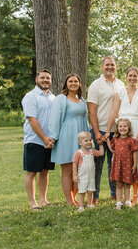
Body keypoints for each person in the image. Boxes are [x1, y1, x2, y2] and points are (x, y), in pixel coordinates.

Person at [106, 66, 138, 204]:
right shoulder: (120, 92)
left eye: (135, 76)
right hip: (122, 126)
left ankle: (135, 194)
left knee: (135, 159)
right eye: (130, 75)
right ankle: (121, 195)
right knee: (121, 158)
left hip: (136, 125)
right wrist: (108, 130)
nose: (132, 78)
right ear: (126, 77)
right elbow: (113, 111)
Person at [87, 55, 125, 205]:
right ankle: (94, 196)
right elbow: (92, 112)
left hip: (118, 131)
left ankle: (115, 194)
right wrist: (96, 132)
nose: (110, 67)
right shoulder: (95, 85)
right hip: (101, 130)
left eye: (112, 65)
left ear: (116, 67)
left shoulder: (121, 84)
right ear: (102, 66)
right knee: (96, 166)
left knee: (115, 164)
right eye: (107, 65)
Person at [50, 73, 88, 206]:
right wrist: (53, 137)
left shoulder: (82, 99)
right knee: (67, 170)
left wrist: (88, 138)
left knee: (80, 169)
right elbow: (54, 119)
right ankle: (69, 200)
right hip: (67, 137)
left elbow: (85, 119)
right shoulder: (61, 99)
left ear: (79, 84)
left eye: (75, 81)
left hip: (81, 139)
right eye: (70, 81)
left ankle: (75, 196)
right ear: (66, 83)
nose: (73, 83)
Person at [22, 69, 55, 210]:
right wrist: (44, 138)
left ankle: (43, 200)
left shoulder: (53, 97)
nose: (45, 80)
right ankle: (32, 202)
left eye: (48, 78)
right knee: (32, 172)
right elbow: (31, 119)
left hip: (49, 141)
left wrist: (51, 139)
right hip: (35, 140)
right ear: (37, 79)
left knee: (45, 171)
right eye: (43, 78)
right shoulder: (31, 96)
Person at [108, 119, 138, 209]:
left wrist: (134, 165)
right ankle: (118, 202)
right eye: (120, 126)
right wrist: (106, 139)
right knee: (118, 184)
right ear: (117, 128)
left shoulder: (131, 140)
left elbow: (134, 152)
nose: (122, 128)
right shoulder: (115, 140)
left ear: (128, 128)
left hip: (128, 165)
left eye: (125, 126)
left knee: (127, 184)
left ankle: (127, 201)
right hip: (118, 165)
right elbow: (112, 149)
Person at [72, 131, 104, 212]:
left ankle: (89, 204)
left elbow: (101, 153)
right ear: (80, 142)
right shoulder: (78, 153)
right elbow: (74, 164)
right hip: (82, 177)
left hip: (91, 176)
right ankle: (81, 206)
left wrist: (100, 145)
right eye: (86, 141)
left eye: (90, 140)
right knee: (82, 192)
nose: (89, 142)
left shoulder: (92, 151)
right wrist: (75, 175)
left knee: (90, 191)